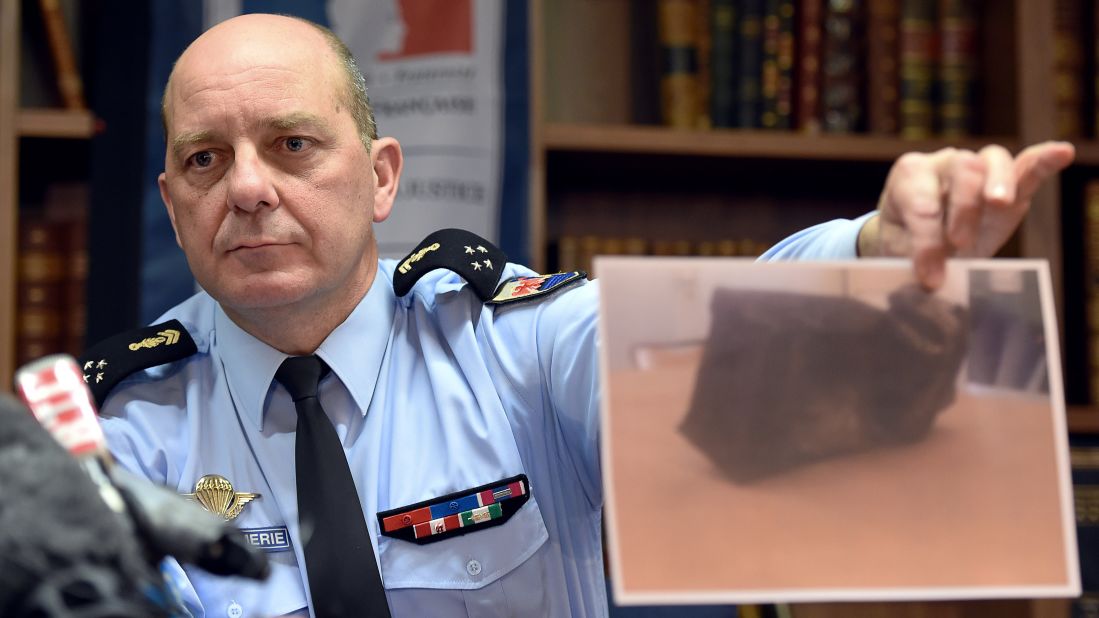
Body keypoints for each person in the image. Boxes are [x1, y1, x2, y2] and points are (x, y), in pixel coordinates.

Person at [83, 12, 1075, 618]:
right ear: (172, 202)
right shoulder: (119, 432)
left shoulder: (518, 347)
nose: (247, 188)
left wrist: (872, 263)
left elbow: (711, 353)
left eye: (293, 145)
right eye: (205, 159)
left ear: (381, 180)